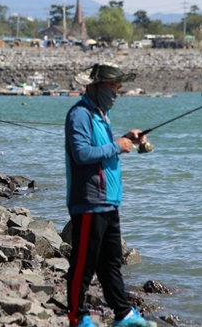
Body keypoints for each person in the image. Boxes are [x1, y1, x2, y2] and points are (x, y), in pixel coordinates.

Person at [65, 64, 156, 327]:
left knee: (111, 263)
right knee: (84, 265)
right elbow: (81, 154)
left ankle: (124, 314)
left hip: (108, 201)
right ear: (97, 87)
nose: (116, 93)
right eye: (113, 88)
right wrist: (117, 146)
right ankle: (77, 317)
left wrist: (126, 138)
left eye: (118, 88)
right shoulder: (79, 114)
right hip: (89, 201)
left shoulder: (100, 115)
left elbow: (101, 148)